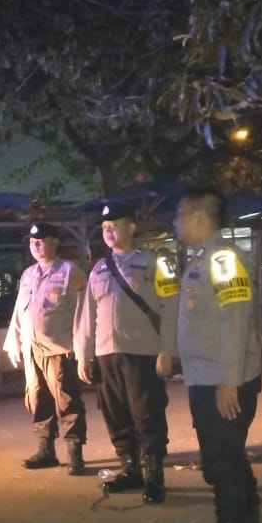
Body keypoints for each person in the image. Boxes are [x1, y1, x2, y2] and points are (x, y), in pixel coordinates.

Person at [169, 187, 262, 523]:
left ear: (198, 217)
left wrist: (229, 382)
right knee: (231, 460)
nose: (175, 223)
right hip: (208, 378)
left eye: (179, 215)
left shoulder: (223, 258)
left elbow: (236, 319)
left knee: (221, 465)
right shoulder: (204, 258)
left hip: (220, 382)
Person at [75, 201, 177, 503]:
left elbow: (171, 307)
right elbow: (87, 315)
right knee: (115, 415)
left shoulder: (154, 261)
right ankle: (131, 469)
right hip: (106, 354)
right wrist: (83, 354)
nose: (108, 231)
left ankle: (154, 477)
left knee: (147, 414)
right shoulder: (98, 268)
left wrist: (167, 349)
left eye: (114, 225)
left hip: (143, 352)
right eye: (104, 227)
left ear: (131, 226)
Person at [3, 222, 88, 474]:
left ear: (55, 242)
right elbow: (19, 312)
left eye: (41, 241)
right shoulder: (28, 275)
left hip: (60, 350)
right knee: (37, 399)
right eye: (32, 242)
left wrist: (83, 349)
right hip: (32, 350)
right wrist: (14, 342)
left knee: (67, 401)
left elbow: (83, 314)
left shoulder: (71, 272)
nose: (36, 246)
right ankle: (46, 450)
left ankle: (75, 453)